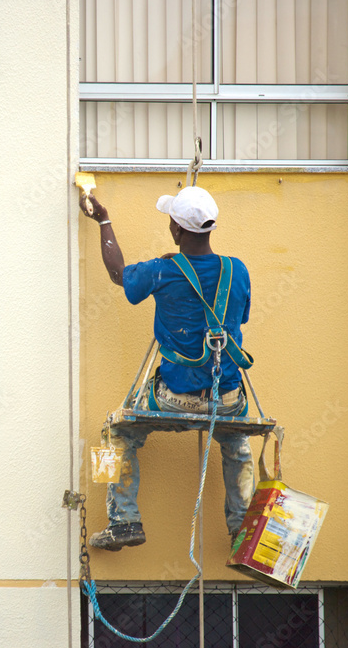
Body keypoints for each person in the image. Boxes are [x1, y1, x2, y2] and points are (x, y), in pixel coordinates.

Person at [79, 186, 254, 551]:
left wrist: (104, 220)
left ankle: (123, 521)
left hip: (174, 398)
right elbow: (242, 317)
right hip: (228, 398)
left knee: (116, 431)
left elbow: (118, 274)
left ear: (176, 230)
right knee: (236, 442)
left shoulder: (162, 270)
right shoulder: (237, 270)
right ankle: (243, 531)